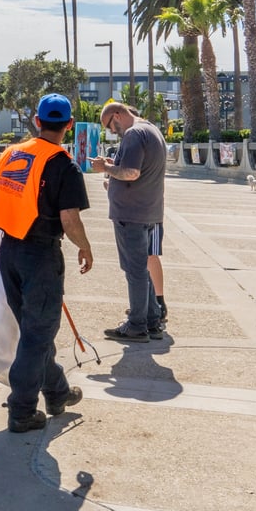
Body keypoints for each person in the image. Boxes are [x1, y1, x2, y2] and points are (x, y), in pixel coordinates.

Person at [0, 93, 92, 432]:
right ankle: (22, 410)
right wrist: (85, 247)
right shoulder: (63, 163)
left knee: (35, 332)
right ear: (69, 125)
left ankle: (57, 391)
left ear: (37, 122)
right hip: (41, 256)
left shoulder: (11, 154)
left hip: (9, 251)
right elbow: (69, 218)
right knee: (36, 335)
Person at [90, 102, 167, 343]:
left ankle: (136, 325)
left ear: (117, 114)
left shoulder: (134, 134)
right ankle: (152, 320)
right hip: (147, 210)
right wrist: (112, 174)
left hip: (131, 214)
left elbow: (131, 173)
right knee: (141, 269)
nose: (113, 131)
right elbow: (136, 173)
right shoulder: (152, 130)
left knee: (134, 271)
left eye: (111, 126)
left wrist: (105, 168)